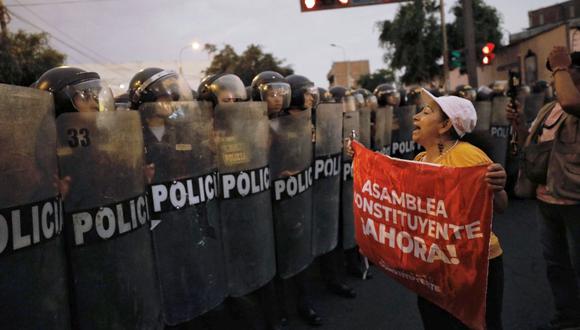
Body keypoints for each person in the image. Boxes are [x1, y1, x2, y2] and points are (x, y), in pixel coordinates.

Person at [507, 46, 580, 330]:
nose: (555, 75)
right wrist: (521, 124)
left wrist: (561, 63)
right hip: (546, 197)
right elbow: (533, 147)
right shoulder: (550, 108)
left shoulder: (573, 103)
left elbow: (572, 102)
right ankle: (569, 317)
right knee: (556, 263)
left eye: (562, 70)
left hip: (574, 197)